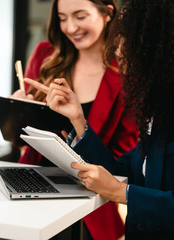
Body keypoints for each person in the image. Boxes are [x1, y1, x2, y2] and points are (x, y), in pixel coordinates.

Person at [27, 0, 174, 238]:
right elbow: (117, 169)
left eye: (125, 40)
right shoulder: (156, 111)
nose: (116, 51)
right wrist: (78, 120)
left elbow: (119, 182)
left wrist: (123, 193)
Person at [12, 0, 138, 239]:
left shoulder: (127, 72)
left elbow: (122, 163)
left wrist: (78, 131)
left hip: (88, 203)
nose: (70, 28)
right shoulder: (45, 55)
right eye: (62, 18)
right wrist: (17, 112)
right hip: (30, 188)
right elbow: (20, 142)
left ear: (107, 14)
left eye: (80, 17)